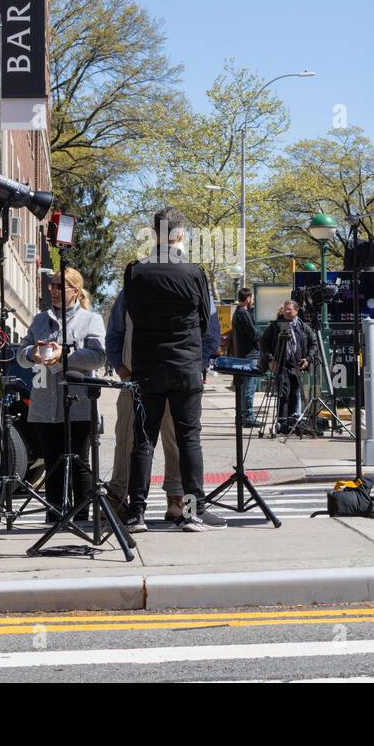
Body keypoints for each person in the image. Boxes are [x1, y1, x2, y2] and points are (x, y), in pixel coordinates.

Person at [122, 206, 224, 532]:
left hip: (148, 366)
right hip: (186, 366)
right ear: (180, 235)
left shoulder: (135, 271)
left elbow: (134, 316)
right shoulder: (194, 273)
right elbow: (204, 319)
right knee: (189, 439)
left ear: (155, 234)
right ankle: (193, 512)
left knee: (144, 440)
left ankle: (136, 513)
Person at [16, 268, 107, 522]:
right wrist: (31, 354)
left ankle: (81, 518)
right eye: (52, 286)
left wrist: (65, 356)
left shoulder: (91, 320)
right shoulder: (39, 320)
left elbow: (99, 357)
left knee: (79, 461)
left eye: (60, 286)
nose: (54, 291)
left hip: (78, 403)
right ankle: (54, 517)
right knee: (53, 463)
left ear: (75, 291)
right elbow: (22, 355)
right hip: (45, 403)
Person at [104, 287, 184, 528]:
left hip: (177, 378)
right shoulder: (130, 291)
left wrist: (197, 366)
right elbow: (115, 332)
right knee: (126, 439)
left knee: (179, 441)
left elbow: (209, 332)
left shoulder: (189, 285)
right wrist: (119, 366)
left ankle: (178, 499)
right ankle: (118, 497)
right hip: (134, 379)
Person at [259, 300, 318, 435]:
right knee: (283, 393)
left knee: (294, 394)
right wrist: (270, 359)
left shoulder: (303, 327)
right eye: (285, 309)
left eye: (289, 309)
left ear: (296, 311)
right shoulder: (275, 326)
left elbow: (314, 342)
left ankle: (293, 422)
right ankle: (282, 423)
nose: (286, 311)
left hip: (297, 365)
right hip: (281, 364)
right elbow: (263, 343)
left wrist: (308, 359)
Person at [230, 288, 261, 427]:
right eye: (252, 298)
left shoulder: (237, 312)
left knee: (243, 388)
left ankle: (242, 415)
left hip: (241, 354)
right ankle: (248, 417)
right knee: (249, 388)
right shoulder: (243, 313)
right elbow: (254, 334)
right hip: (249, 355)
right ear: (248, 298)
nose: (252, 300)